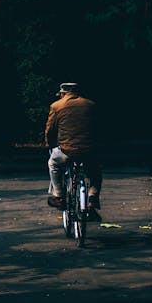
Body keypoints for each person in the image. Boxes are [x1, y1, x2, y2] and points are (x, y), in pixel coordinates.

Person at [44, 82, 103, 221]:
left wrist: (49, 144)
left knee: (53, 163)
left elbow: (50, 130)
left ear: (63, 94)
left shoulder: (56, 106)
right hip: (88, 151)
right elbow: (98, 127)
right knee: (95, 172)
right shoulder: (90, 105)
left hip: (66, 151)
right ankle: (92, 198)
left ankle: (58, 196)